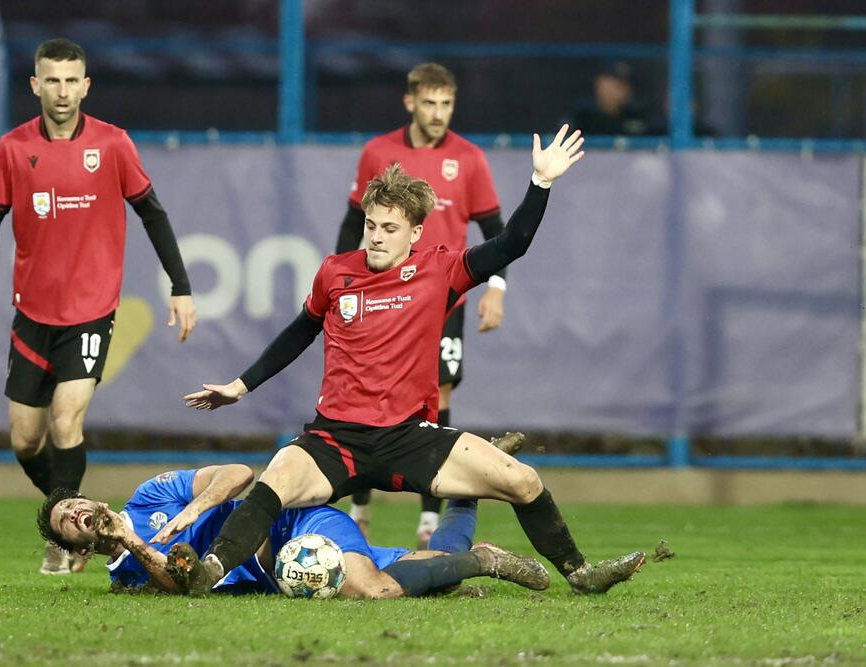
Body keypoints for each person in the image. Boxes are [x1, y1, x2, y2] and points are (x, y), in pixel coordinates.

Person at [181, 125, 646, 596]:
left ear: (415, 232)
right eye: (370, 226)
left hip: (407, 438)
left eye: (389, 228)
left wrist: (540, 183)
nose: (376, 238)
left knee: (523, 481)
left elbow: (511, 245)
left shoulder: (439, 270)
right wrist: (241, 386)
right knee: (276, 476)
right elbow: (302, 329)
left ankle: (581, 574)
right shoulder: (335, 273)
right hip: (335, 439)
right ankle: (206, 573)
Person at [0, 38, 198, 575]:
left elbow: (153, 215)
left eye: (72, 80)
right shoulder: (12, 148)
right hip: (32, 315)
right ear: (35, 85)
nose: (63, 90)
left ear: (86, 85)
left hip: (91, 312)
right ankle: (84, 519)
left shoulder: (113, 145)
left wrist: (180, 285)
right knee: (26, 439)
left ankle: (66, 539)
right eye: (53, 80)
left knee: (66, 420)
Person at [334, 63, 509, 546]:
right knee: (366, 393)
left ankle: (429, 521)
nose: (438, 113)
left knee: (439, 398)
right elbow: (354, 225)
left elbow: (498, 236)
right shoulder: (379, 151)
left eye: (446, 103)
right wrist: (343, 280)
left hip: (440, 305)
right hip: (379, 302)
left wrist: (496, 287)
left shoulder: (469, 159)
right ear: (410, 102)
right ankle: (361, 500)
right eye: (429, 103)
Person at [38, 463, 551, 598]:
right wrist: (131, 542)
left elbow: (238, 474)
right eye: (70, 524)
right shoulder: (126, 576)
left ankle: (487, 559)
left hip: (291, 524)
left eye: (76, 505)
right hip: (279, 571)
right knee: (437, 581)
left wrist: (195, 508)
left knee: (369, 590)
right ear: (77, 551)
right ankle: (465, 498)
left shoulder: (151, 496)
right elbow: (182, 584)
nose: (79, 514)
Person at [569, 61, 651, 137]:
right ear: (599, 84)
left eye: (625, 84)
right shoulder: (582, 116)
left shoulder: (636, 115)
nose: (621, 90)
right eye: (616, 84)